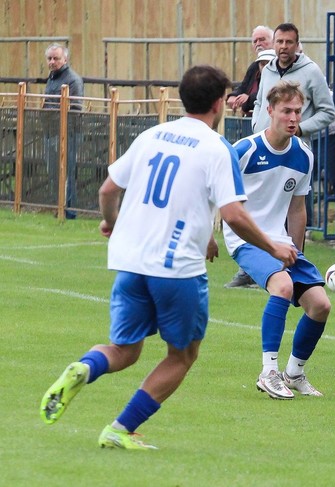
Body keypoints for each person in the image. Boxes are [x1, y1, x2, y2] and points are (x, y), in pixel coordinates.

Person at [39, 65, 297, 450]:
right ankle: (120, 428)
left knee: (124, 350)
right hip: (176, 269)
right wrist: (273, 246)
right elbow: (234, 214)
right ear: (218, 104)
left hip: (131, 261)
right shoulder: (217, 148)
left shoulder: (151, 135)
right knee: (182, 354)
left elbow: (109, 190)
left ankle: (84, 367)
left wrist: (111, 224)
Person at [224, 81, 332, 399]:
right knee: (282, 288)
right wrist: (208, 236)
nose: (293, 117)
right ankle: (268, 372)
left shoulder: (304, 156)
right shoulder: (245, 150)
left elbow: (297, 209)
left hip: (281, 240)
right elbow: (214, 192)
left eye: (298, 111)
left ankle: (294, 373)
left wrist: (296, 251)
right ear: (269, 111)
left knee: (320, 305)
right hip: (245, 238)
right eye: (286, 111)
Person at [253, 22, 335, 236]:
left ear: (297, 45)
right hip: (268, 144)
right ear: (274, 44)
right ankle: (271, 240)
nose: (284, 46)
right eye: (279, 41)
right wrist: (257, 125)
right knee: (271, 194)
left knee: (307, 189)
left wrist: (300, 129)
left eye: (289, 42)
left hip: (302, 143)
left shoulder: (311, 71)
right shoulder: (268, 70)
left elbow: (328, 111)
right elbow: (259, 103)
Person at [43, 43, 83, 219]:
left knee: (68, 171)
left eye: (56, 58)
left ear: (64, 59)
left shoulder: (73, 79)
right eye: (50, 58)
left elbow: (75, 108)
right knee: (53, 171)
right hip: (51, 131)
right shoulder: (51, 77)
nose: (52, 61)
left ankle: (70, 211)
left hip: (69, 132)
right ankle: (58, 206)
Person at [226, 25, 274, 116]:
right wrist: (233, 95)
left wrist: (248, 98)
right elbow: (244, 86)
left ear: (273, 42)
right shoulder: (254, 66)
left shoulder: (279, 65)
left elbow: (271, 91)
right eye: (255, 41)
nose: (258, 44)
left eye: (262, 39)